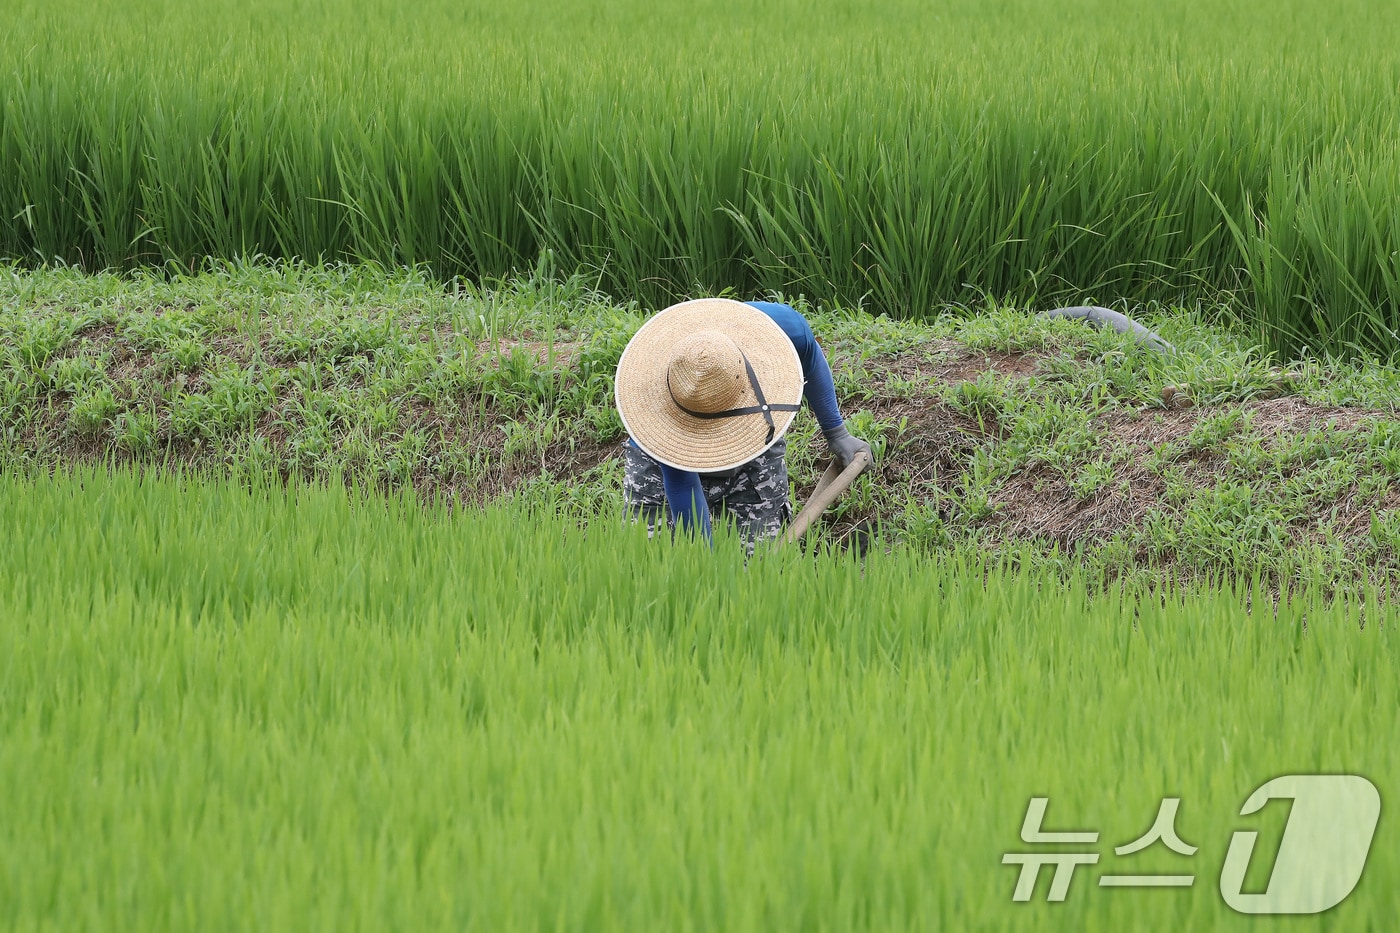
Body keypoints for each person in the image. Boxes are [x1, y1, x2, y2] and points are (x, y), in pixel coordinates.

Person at [614, 297, 872, 546]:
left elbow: (809, 355)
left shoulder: (778, 329)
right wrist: (702, 561)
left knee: (759, 564)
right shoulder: (660, 424)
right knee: (653, 562)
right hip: (661, 469)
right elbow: (683, 489)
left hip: (755, 451)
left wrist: (836, 432)